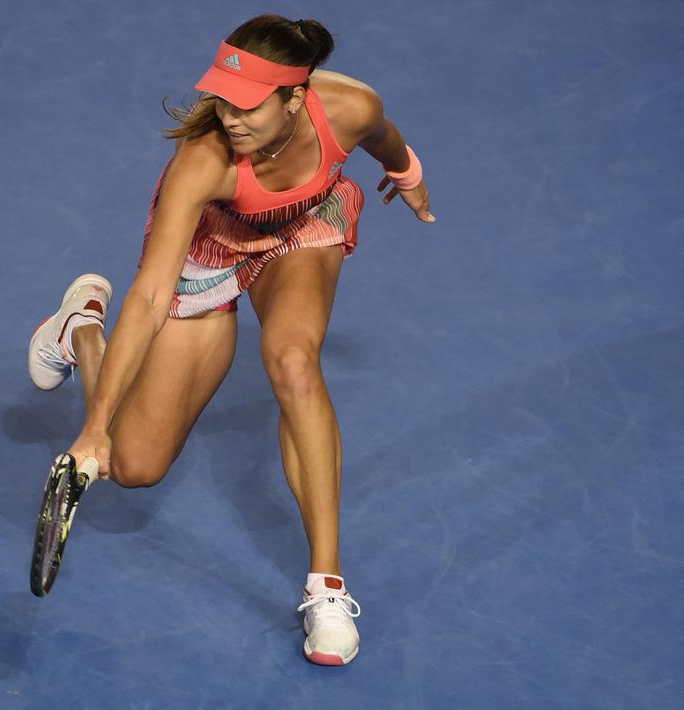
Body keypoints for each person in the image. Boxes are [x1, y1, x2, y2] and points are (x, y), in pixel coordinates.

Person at [27, 14, 434, 666]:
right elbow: (154, 295)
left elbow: (383, 138)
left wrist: (407, 174)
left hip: (301, 229)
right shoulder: (201, 164)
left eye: (247, 105)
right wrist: (93, 428)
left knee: (292, 360)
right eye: (221, 98)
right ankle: (81, 328)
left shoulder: (348, 106)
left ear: (294, 97)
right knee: (133, 466)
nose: (229, 117)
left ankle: (325, 587)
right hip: (209, 251)